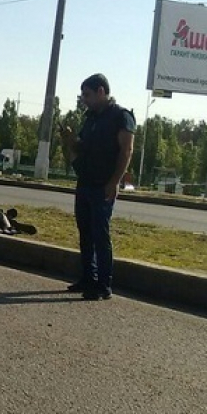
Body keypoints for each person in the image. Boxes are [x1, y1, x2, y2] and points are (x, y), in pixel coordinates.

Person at [60, 73, 135, 300]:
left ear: (101, 92)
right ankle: (88, 278)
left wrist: (114, 183)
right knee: (85, 232)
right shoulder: (91, 117)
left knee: (100, 235)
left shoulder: (121, 117)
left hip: (103, 185)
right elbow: (83, 147)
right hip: (85, 182)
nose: (84, 99)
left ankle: (104, 285)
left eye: (87, 94)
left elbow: (126, 151)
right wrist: (70, 140)